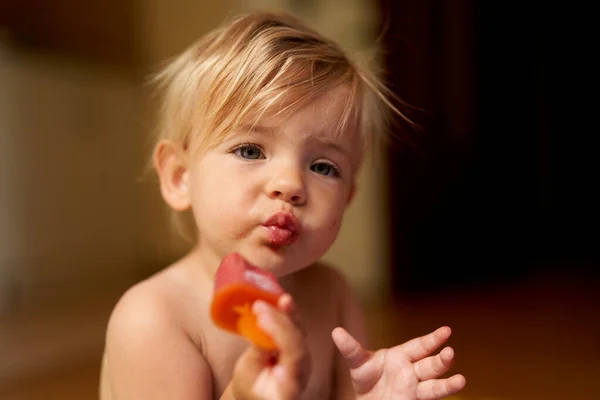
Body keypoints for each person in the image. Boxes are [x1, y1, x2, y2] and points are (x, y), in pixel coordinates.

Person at [100, 10, 466, 400]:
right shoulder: (156, 318)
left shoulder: (333, 295)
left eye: (323, 166)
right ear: (179, 177)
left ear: (347, 200)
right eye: (250, 149)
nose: (290, 184)